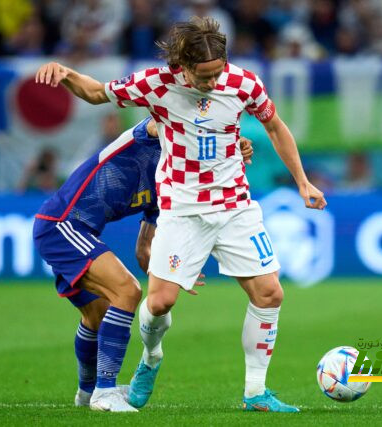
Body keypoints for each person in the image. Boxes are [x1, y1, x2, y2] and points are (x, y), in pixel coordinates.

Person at [34, 16, 326, 412]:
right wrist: (67, 73)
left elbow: (274, 126)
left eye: (217, 73)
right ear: (182, 67)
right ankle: (150, 358)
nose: (211, 83)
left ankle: (256, 392)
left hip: (235, 205)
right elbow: (98, 92)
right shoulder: (156, 84)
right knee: (158, 304)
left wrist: (303, 181)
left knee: (270, 292)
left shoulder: (244, 84)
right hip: (182, 209)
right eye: (202, 76)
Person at [33, 117, 254, 412]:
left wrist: (174, 271)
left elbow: (144, 250)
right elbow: (161, 123)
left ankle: (87, 393)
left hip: (74, 228)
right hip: (62, 224)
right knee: (127, 291)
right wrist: (226, 141)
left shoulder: (168, 186)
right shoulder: (154, 135)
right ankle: (105, 391)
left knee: (97, 314)